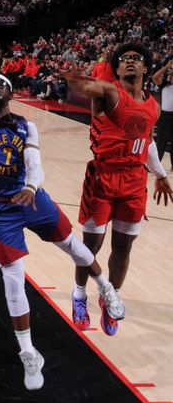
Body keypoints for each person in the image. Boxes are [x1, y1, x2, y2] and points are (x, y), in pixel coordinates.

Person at [0, 0, 124, 389]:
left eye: (1, 83)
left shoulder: (25, 125)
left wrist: (33, 187)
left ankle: (105, 289)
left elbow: (34, 161)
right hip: (0, 210)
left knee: (77, 248)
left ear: (11, 94)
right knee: (13, 282)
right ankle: (29, 354)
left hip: (33, 198)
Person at [59, 44, 172, 336]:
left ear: (146, 68)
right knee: (91, 246)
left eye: (137, 59)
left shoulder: (153, 106)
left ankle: (111, 299)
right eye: (125, 60)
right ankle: (79, 294)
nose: (131, 62)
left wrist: (159, 174)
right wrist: (74, 79)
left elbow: (147, 142)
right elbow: (87, 86)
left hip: (135, 182)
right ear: (118, 70)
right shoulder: (110, 92)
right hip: (103, 178)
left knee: (123, 248)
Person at [152, 55, 173, 170]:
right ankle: (155, 166)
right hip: (165, 116)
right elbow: (155, 77)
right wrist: (166, 66)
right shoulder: (165, 84)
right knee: (161, 142)